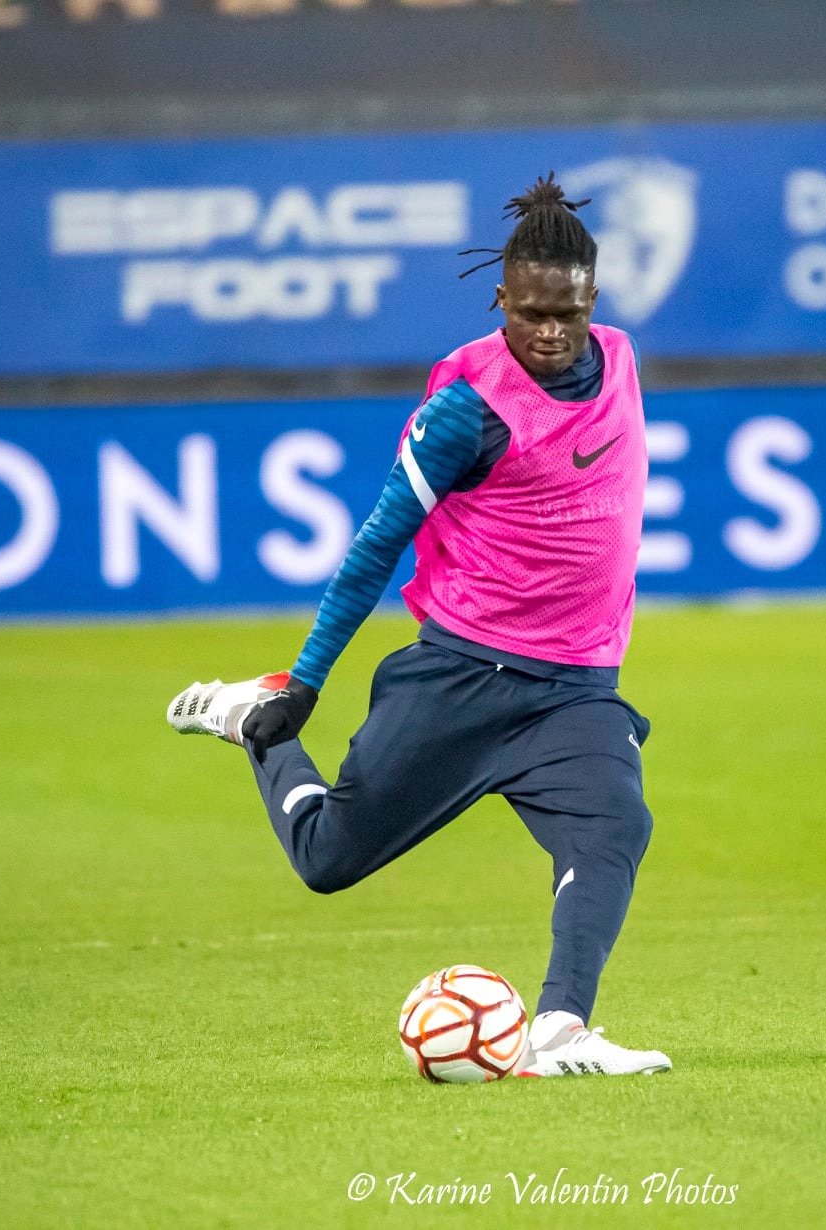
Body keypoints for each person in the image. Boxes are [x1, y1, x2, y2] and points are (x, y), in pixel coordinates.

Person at [166, 174, 669, 1077]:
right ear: (501, 299)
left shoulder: (623, 359)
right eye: (530, 314)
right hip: (463, 675)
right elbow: (373, 549)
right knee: (327, 859)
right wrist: (303, 683)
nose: (550, 332)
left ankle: (559, 1029)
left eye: (568, 313)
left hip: (576, 686)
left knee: (614, 827)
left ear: (593, 300)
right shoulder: (466, 410)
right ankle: (248, 721)